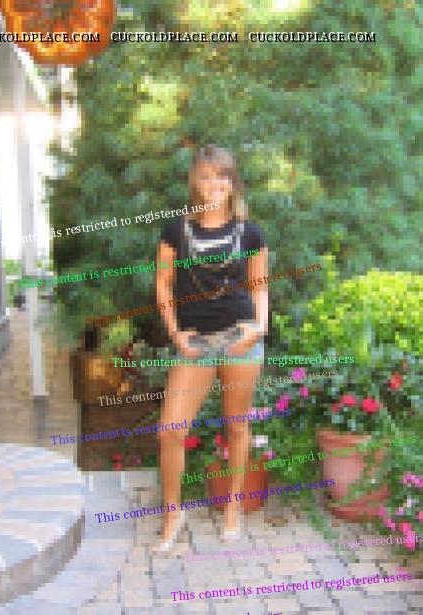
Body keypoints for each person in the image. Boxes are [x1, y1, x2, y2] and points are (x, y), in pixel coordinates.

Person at [153, 144, 268, 552]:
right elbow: (163, 284)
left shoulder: (250, 233)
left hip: (240, 340)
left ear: (232, 182)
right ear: (195, 182)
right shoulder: (175, 231)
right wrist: (175, 333)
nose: (214, 183)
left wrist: (259, 328)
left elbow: (259, 286)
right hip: (196, 343)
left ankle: (233, 507)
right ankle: (173, 514)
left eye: (222, 175)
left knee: (236, 425)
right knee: (171, 431)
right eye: (205, 176)